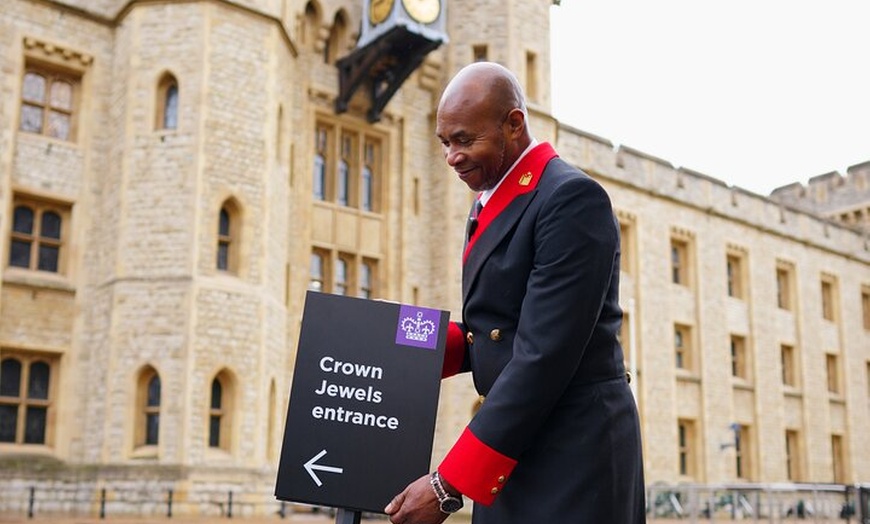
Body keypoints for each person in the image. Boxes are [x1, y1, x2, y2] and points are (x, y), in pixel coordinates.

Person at [385, 62, 645, 524]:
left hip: (573, 454)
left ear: (513, 124)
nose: (452, 157)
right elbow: (493, 330)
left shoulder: (571, 199)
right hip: (515, 448)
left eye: (465, 140)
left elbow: (542, 355)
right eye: (445, 143)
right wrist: (390, 338)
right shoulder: (488, 197)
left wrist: (447, 485)